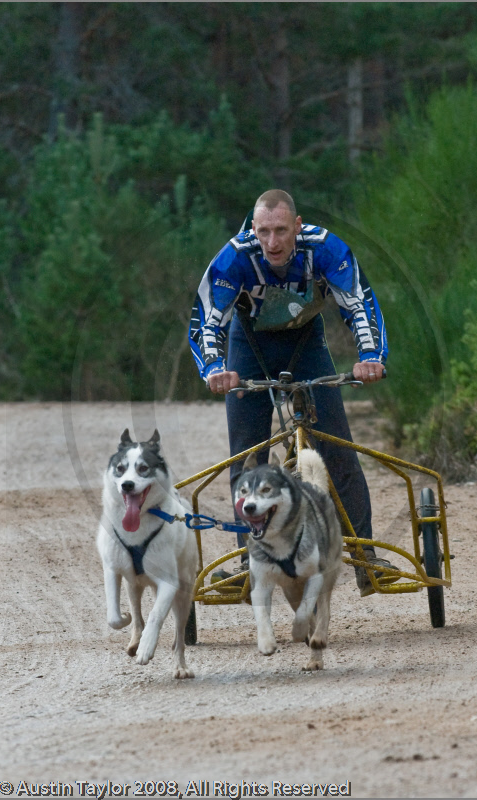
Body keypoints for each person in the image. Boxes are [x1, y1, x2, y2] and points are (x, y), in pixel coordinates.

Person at [188, 189, 393, 596]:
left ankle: (367, 558)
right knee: (247, 457)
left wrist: (370, 356)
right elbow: (207, 320)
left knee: (337, 450)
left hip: (306, 346)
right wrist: (214, 368)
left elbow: (358, 303)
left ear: (297, 226)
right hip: (248, 348)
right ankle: (249, 561)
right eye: (263, 231)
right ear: (254, 229)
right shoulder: (236, 256)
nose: (272, 242)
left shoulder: (325, 248)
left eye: (281, 230)